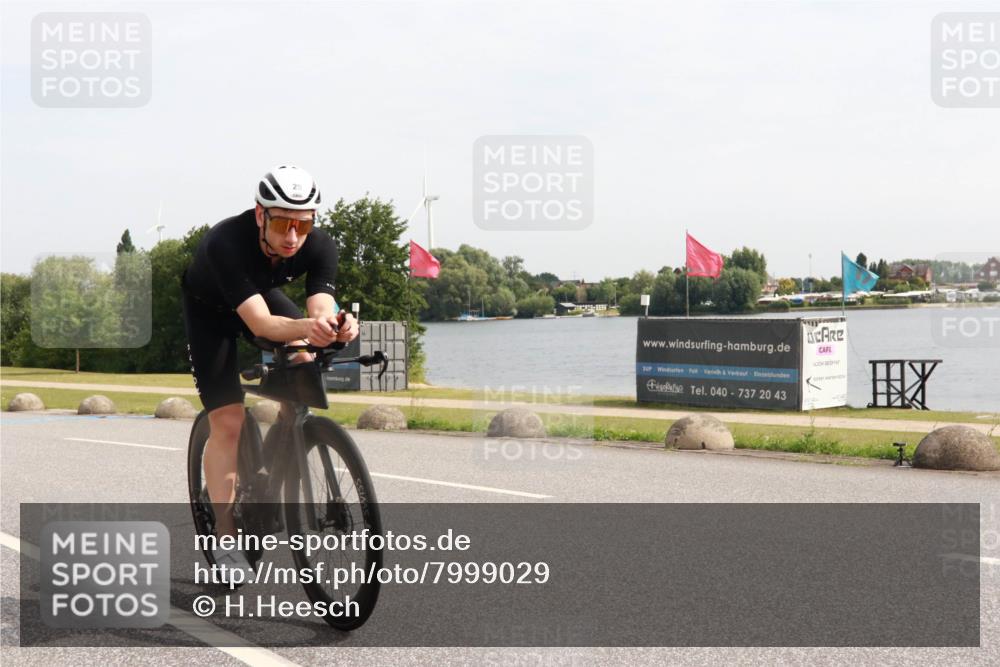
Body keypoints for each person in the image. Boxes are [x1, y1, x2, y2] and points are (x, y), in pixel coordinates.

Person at [182, 164, 358, 583]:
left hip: (259, 297)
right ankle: (225, 541)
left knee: (303, 363)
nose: (293, 236)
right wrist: (306, 331)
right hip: (211, 312)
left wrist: (337, 325)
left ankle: (284, 444)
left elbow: (318, 309)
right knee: (228, 420)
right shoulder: (226, 242)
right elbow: (261, 325)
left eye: (303, 224)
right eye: (282, 222)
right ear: (261, 215)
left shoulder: (320, 246)